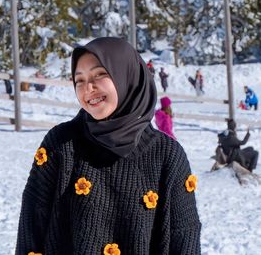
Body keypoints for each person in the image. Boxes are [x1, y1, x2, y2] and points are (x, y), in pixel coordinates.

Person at [16, 37, 201, 254]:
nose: (88, 88)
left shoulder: (167, 156)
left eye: (100, 74)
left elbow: (184, 238)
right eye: (79, 80)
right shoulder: (61, 144)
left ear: (127, 75)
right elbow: (32, 227)